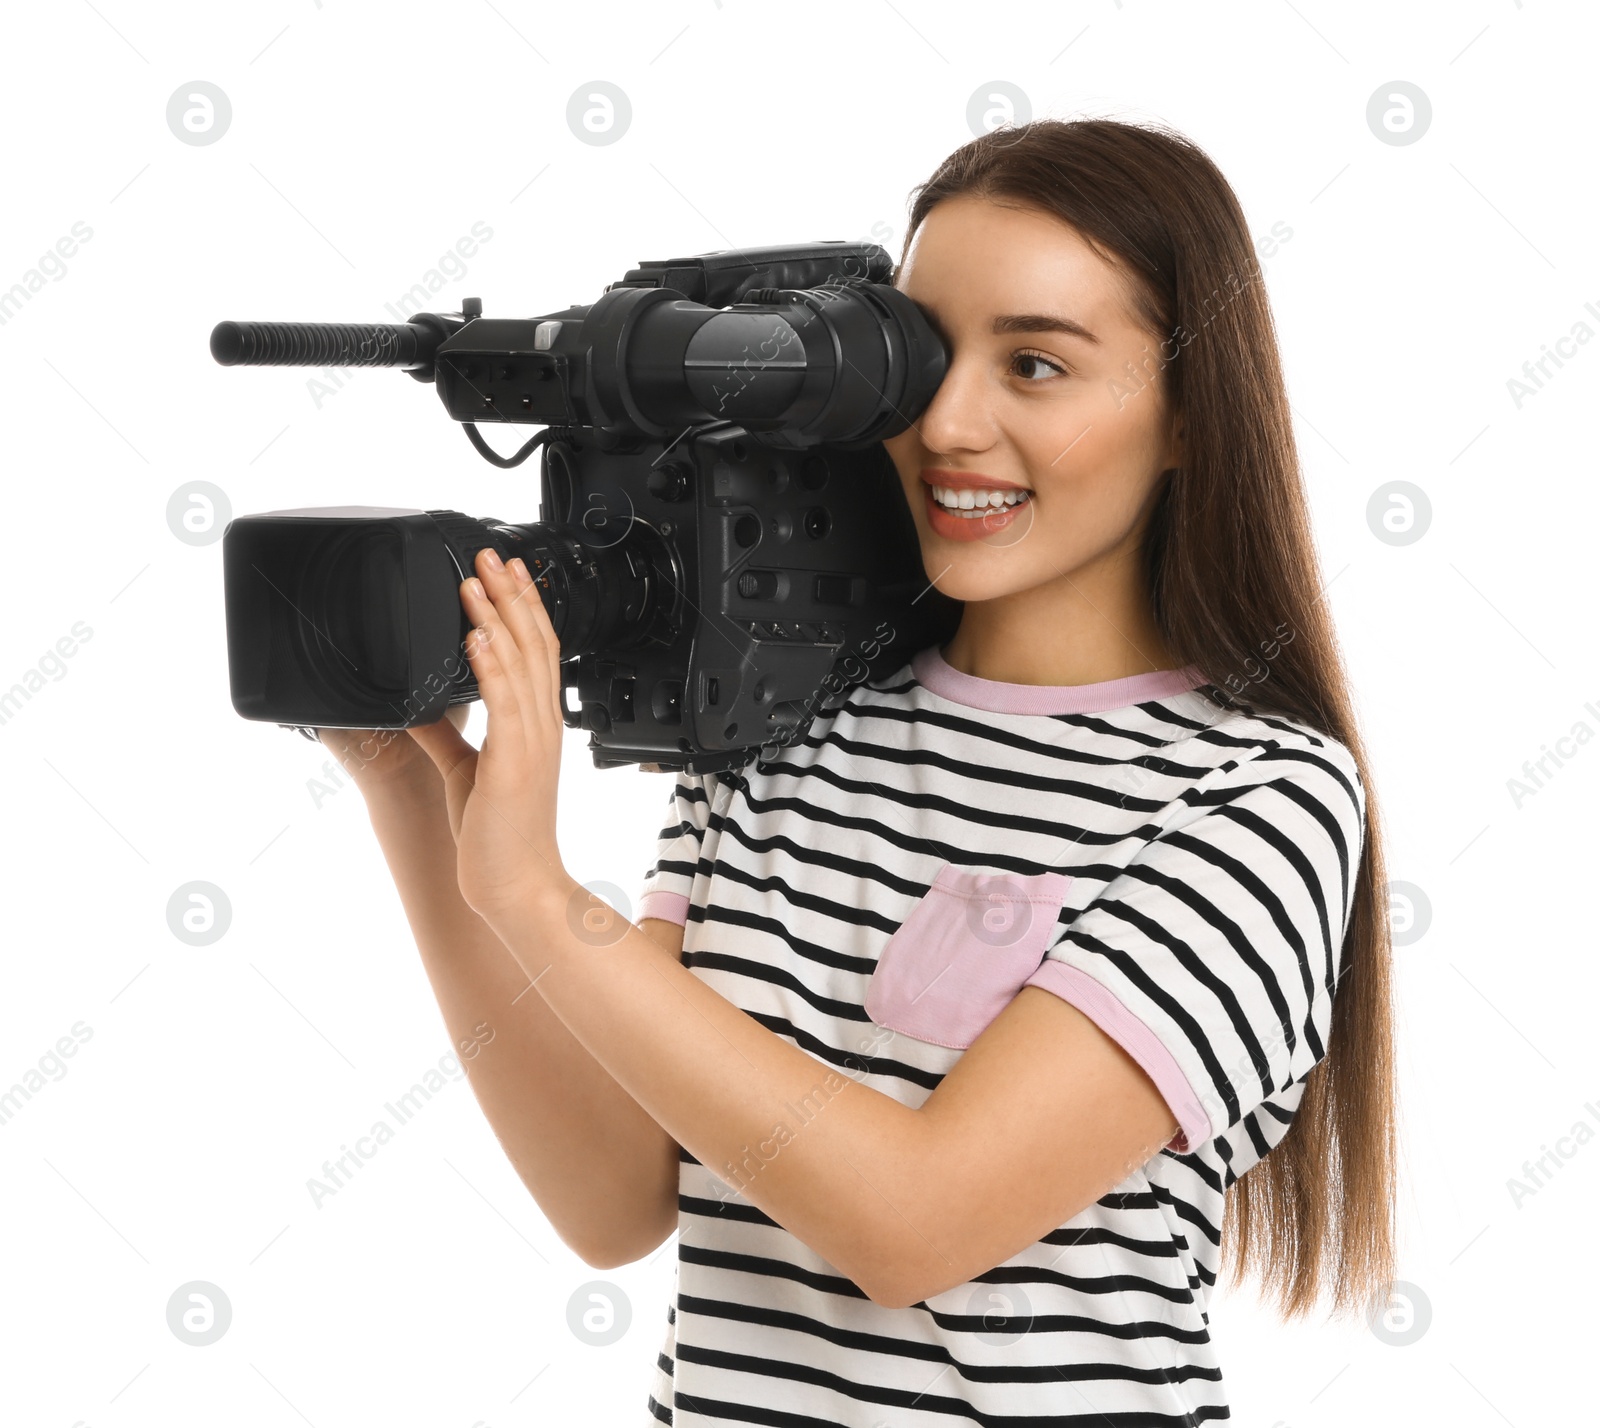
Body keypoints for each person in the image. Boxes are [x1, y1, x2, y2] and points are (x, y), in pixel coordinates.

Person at [324, 116, 1398, 1425]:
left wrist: (549, 903)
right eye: (926, 360)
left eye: (1040, 365)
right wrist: (416, 791)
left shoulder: (1257, 800)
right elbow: (612, 1200)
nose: (949, 423)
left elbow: (914, 1224)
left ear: (1184, 415)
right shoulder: (786, 719)